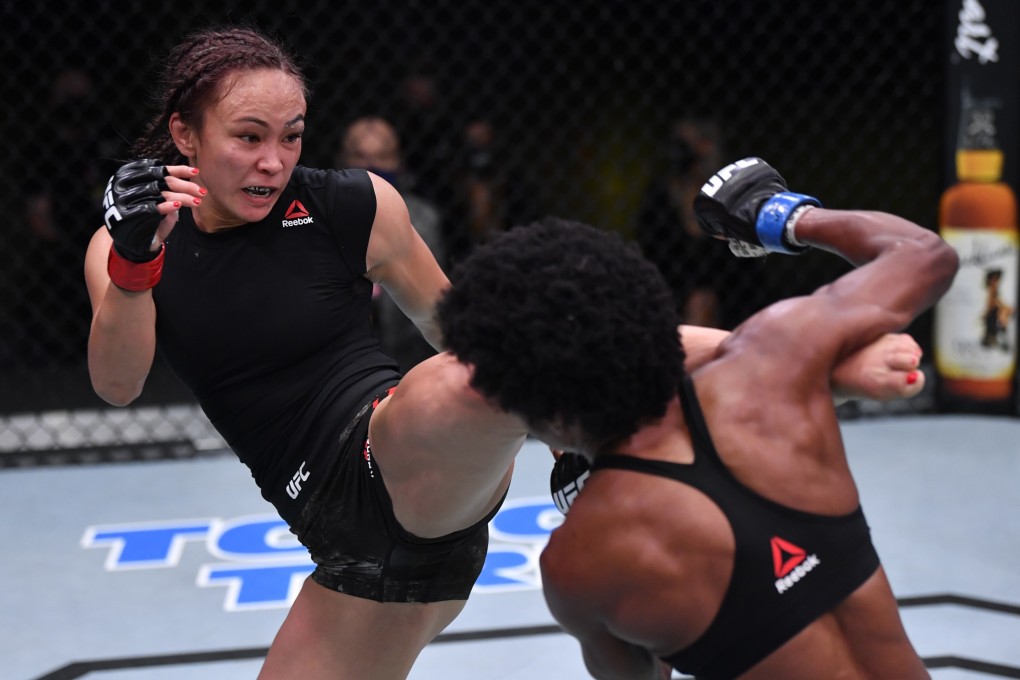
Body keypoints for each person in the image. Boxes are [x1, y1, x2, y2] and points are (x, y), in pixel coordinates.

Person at [83, 25, 929, 679]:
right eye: (248, 136)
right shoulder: (132, 247)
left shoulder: (352, 206)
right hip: (359, 550)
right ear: (184, 135)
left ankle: (799, 358)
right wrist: (134, 259)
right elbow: (118, 385)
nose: (275, 160)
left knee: (486, 357)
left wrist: (561, 430)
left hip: (398, 454)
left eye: (294, 135)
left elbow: (462, 324)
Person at [436, 158, 958, 679]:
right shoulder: (771, 364)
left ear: (540, 414)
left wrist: (607, 519)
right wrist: (778, 217)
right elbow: (925, 256)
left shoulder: (577, 563)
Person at [337, 116, 445, 372]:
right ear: (341, 160)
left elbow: (433, 304)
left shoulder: (423, 218)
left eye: (382, 156)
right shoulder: (320, 216)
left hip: (408, 356)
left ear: (399, 162)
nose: (371, 165)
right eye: (359, 156)